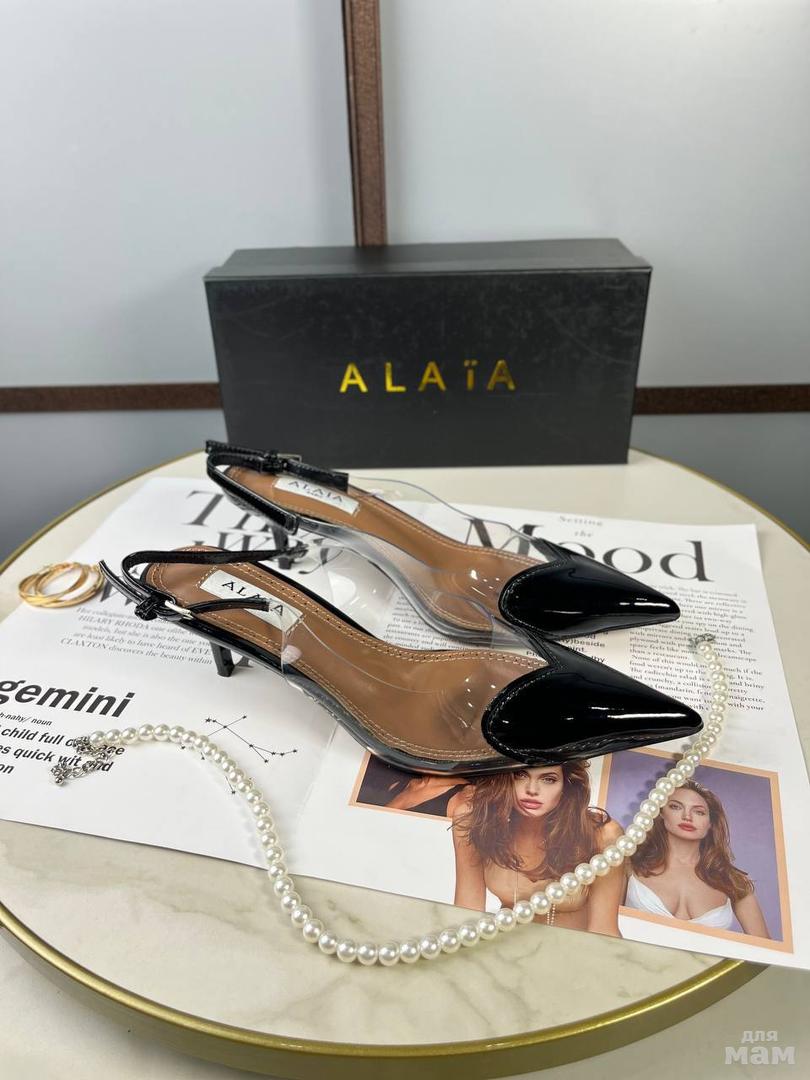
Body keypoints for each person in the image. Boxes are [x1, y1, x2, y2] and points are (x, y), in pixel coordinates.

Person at [450, 763, 624, 935]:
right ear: (503, 777)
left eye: (548, 779)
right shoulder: (474, 822)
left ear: (566, 784)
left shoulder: (602, 835)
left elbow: (604, 931)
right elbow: (466, 914)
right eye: (520, 775)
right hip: (506, 949)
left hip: (572, 951)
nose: (532, 789)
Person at [626, 778, 770, 937]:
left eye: (699, 812)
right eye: (675, 807)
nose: (687, 816)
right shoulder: (629, 864)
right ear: (660, 814)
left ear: (710, 823)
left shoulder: (734, 881)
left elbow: (764, 948)